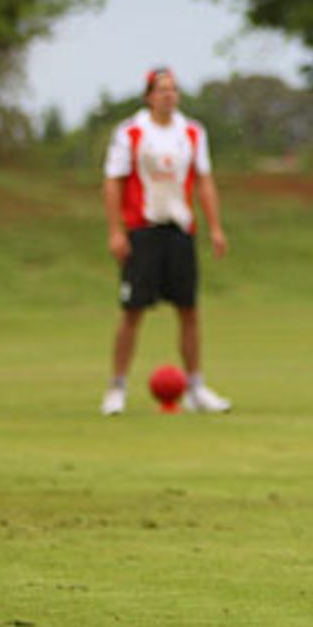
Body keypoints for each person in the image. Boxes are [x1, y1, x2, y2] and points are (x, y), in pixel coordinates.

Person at [100, 68, 233, 415]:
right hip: (142, 231)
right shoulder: (130, 132)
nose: (168, 95)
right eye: (161, 90)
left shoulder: (192, 132)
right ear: (149, 96)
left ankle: (196, 388)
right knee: (132, 312)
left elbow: (204, 181)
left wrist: (215, 227)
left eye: (173, 90)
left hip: (180, 230)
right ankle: (116, 388)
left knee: (188, 310)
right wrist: (115, 231)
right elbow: (113, 182)